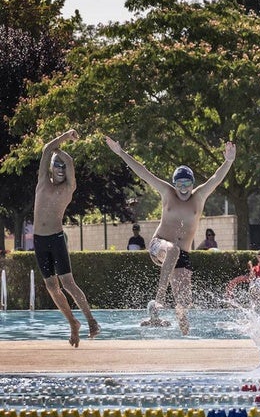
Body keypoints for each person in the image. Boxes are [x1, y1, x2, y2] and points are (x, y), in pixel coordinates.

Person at [106, 136, 235, 334]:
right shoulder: (167, 193)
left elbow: (216, 179)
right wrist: (121, 153)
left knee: (184, 305)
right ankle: (159, 297)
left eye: (187, 184)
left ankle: (185, 338)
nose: (183, 188)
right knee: (173, 250)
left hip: (182, 255)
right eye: (179, 184)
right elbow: (143, 172)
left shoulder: (199, 196)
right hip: (159, 245)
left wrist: (228, 161)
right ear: (174, 184)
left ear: (192, 184)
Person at [33, 129, 100, 347]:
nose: (61, 169)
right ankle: (73, 324)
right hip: (39, 241)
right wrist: (61, 139)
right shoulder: (43, 182)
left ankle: (91, 320)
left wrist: (61, 150)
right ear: (51, 168)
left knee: (68, 284)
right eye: (57, 166)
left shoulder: (69, 188)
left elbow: (69, 162)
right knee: (52, 287)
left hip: (56, 238)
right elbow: (45, 151)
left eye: (64, 167)